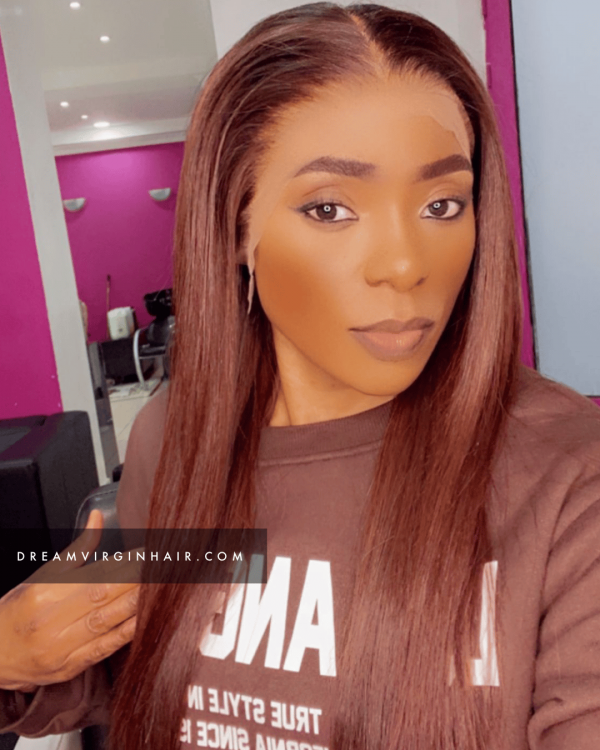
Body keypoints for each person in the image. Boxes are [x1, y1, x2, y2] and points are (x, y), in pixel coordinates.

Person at [2, 3, 600, 749]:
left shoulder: (569, 477)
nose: (404, 264)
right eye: (330, 208)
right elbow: (167, 673)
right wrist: (13, 653)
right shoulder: (175, 435)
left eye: (442, 204)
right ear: (237, 227)